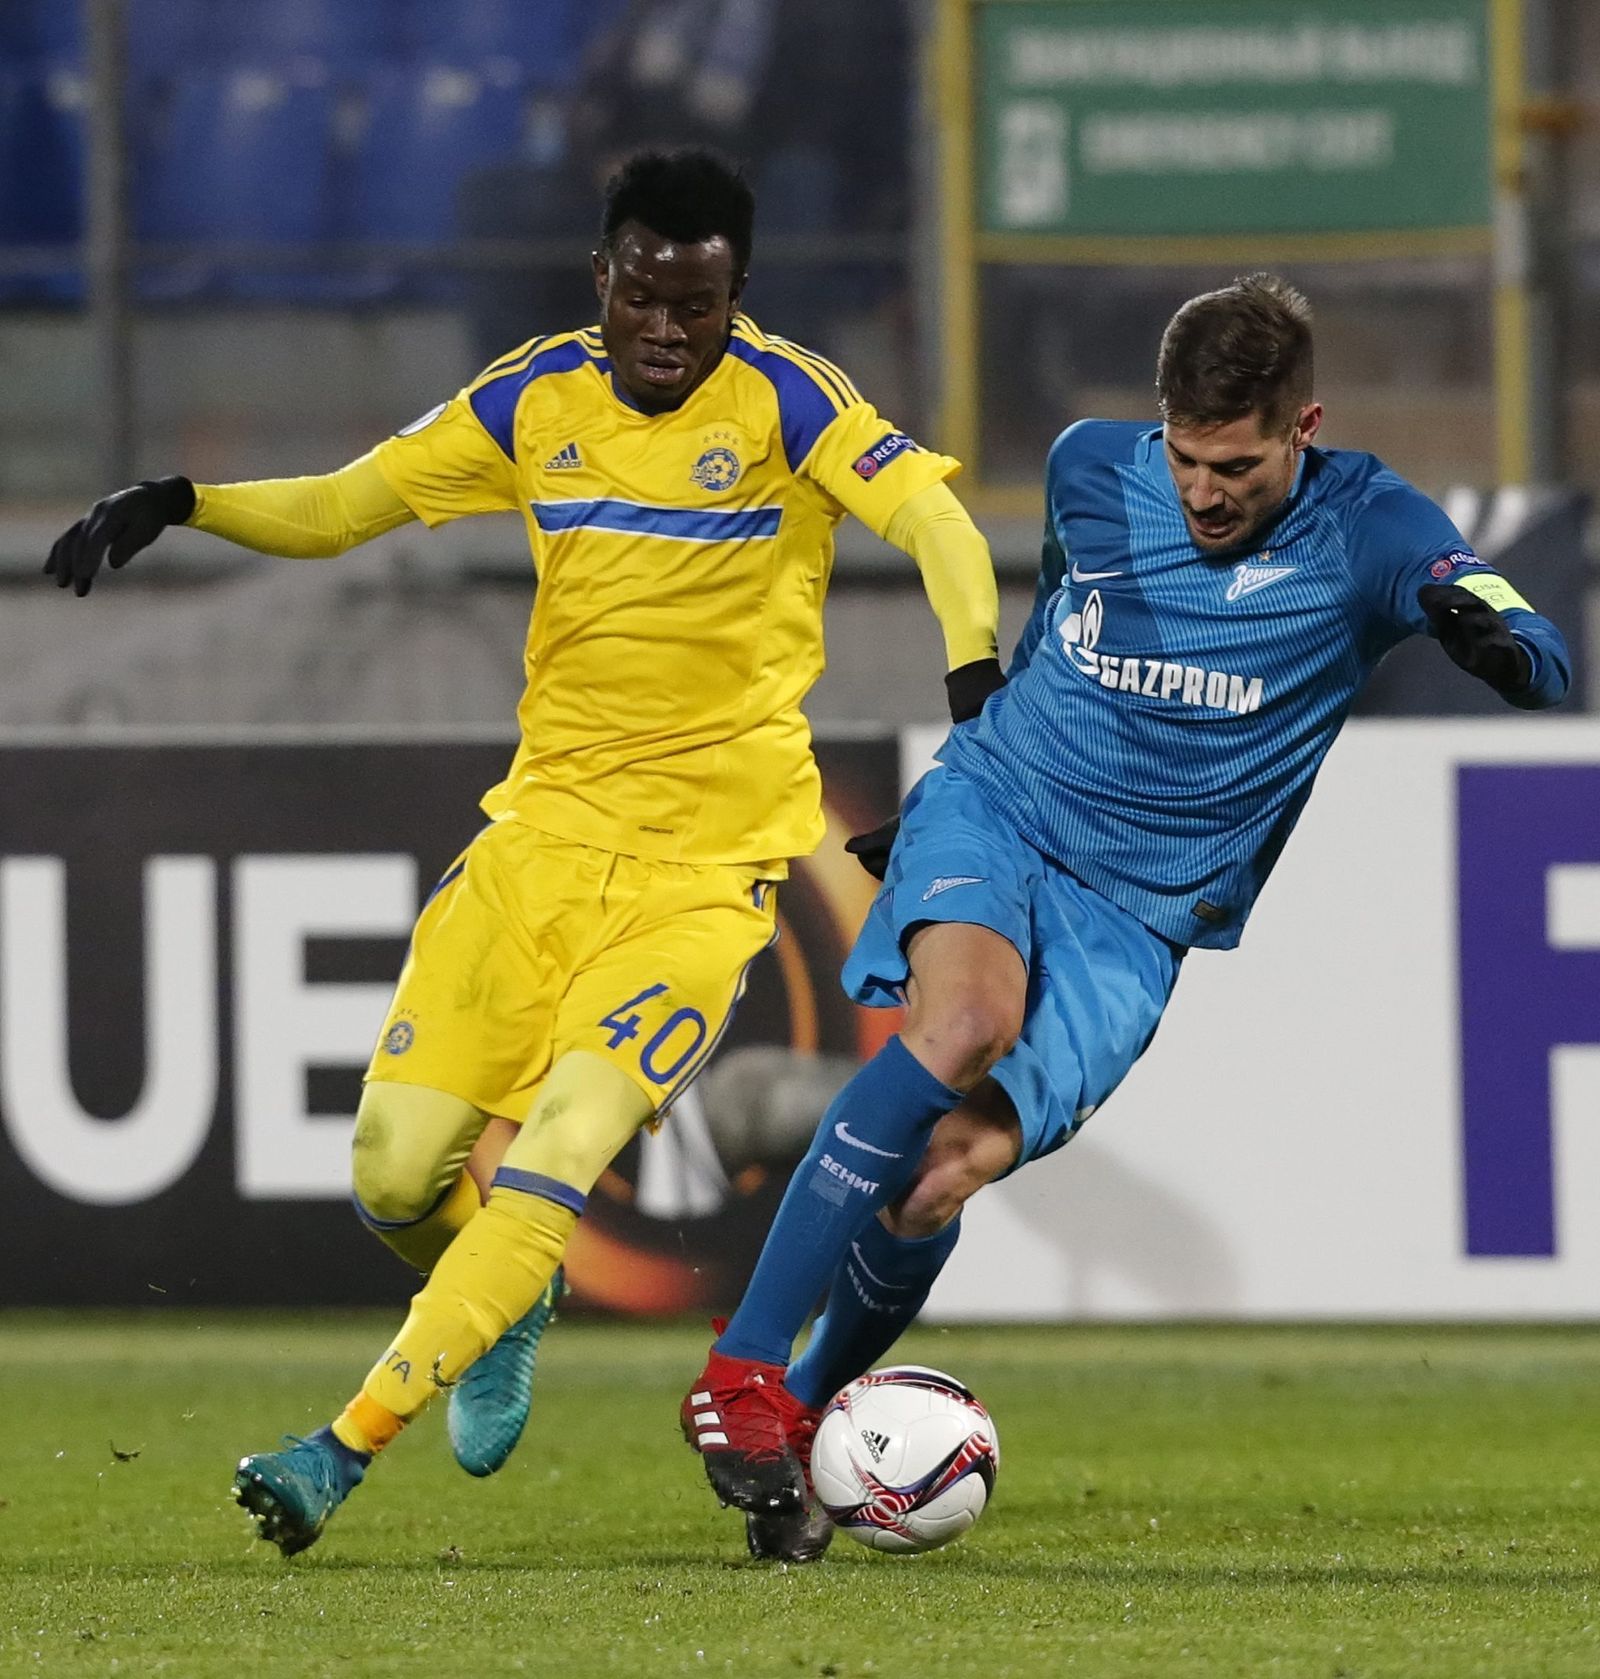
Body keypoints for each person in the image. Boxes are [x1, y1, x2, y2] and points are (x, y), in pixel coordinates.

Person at [44, 148, 1005, 1557]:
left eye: (698, 305)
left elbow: (934, 521)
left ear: (740, 294)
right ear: (599, 279)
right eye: (640, 297)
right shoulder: (529, 396)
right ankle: (506, 1300)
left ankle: (342, 1447)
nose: (665, 332)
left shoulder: (794, 399)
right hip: (538, 847)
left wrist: (973, 692)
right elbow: (346, 501)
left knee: (557, 1159)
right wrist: (183, 499)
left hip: (699, 879)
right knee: (393, 1175)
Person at [680, 272, 1572, 1563]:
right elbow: (1056, 632)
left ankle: (795, 1450)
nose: (1208, 492)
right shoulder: (1091, 468)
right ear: (1157, 425)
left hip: (1137, 908)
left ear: (1300, 428)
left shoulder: (1372, 528)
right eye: (1190, 458)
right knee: (965, 1026)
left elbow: (1531, 643)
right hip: (1005, 807)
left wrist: (1485, 638)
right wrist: (950, 816)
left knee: (941, 1177)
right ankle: (742, 1371)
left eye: (1241, 465)